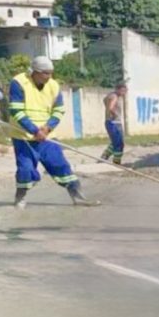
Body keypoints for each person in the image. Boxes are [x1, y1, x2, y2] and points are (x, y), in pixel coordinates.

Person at [9, 55, 100, 209]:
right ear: (35, 72)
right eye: (45, 73)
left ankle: (78, 196)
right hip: (24, 137)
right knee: (25, 169)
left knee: (60, 165)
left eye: (51, 73)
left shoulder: (53, 85)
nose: (49, 76)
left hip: (47, 137)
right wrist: (34, 130)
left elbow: (59, 110)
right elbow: (15, 110)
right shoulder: (18, 82)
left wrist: (48, 127)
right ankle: (20, 197)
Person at [100, 82, 128, 165]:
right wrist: (114, 114)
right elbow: (111, 107)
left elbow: (105, 101)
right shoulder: (115, 97)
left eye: (125, 91)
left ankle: (104, 156)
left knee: (114, 142)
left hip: (108, 122)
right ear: (118, 90)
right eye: (123, 91)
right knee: (119, 144)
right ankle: (116, 162)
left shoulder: (109, 95)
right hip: (114, 123)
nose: (124, 93)